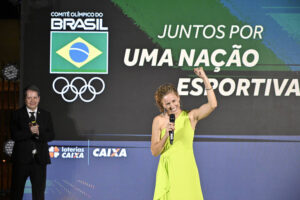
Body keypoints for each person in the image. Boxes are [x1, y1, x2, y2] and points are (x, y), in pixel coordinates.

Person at [151, 67, 217, 200]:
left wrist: (204, 78)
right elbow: (155, 151)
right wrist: (166, 135)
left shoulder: (190, 117)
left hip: (187, 170)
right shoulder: (158, 121)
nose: (172, 106)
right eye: (167, 103)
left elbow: (212, 105)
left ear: (179, 98)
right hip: (168, 172)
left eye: (174, 101)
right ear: (162, 104)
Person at [10, 85, 55, 200]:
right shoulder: (16, 114)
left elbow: (51, 135)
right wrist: (29, 131)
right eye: (29, 97)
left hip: (39, 161)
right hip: (21, 161)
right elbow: (14, 135)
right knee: (16, 193)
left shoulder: (46, 115)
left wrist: (39, 133)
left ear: (39, 99)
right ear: (25, 99)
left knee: (39, 194)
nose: (32, 101)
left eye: (35, 97)